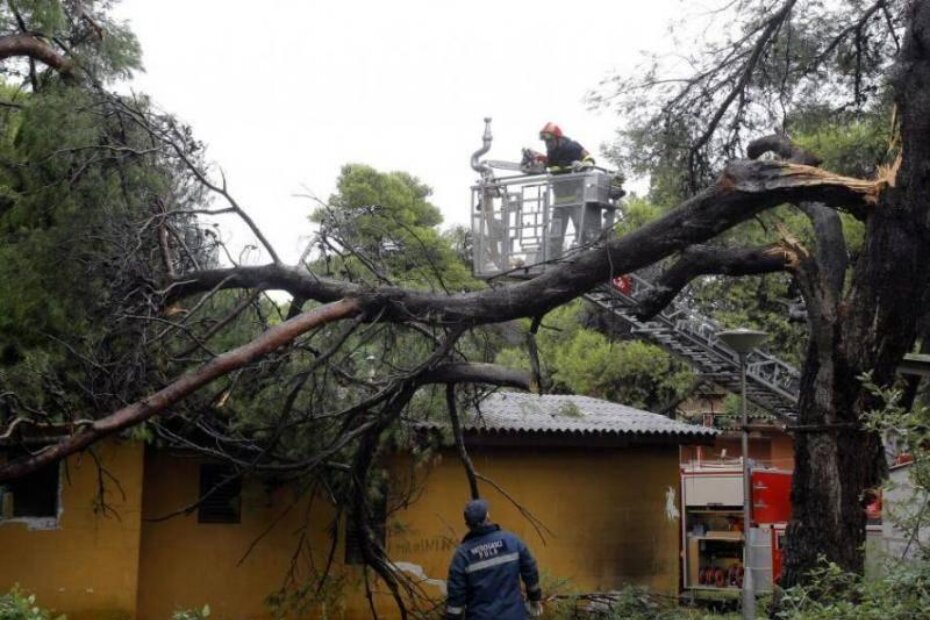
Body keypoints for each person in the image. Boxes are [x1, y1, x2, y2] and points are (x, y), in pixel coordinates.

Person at [444, 499, 543, 620]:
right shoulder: (512, 541)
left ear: (467, 525)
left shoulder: (462, 556)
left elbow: (455, 601)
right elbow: (530, 572)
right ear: (488, 516)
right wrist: (534, 598)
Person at [537, 122, 602, 260]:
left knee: (580, 228)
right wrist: (538, 160)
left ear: (558, 138)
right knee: (555, 233)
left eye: (549, 140)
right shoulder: (551, 152)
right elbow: (552, 167)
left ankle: (583, 257)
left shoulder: (572, 146)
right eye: (545, 141)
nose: (547, 144)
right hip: (559, 201)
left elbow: (589, 158)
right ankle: (553, 261)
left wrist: (584, 164)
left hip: (576, 198)